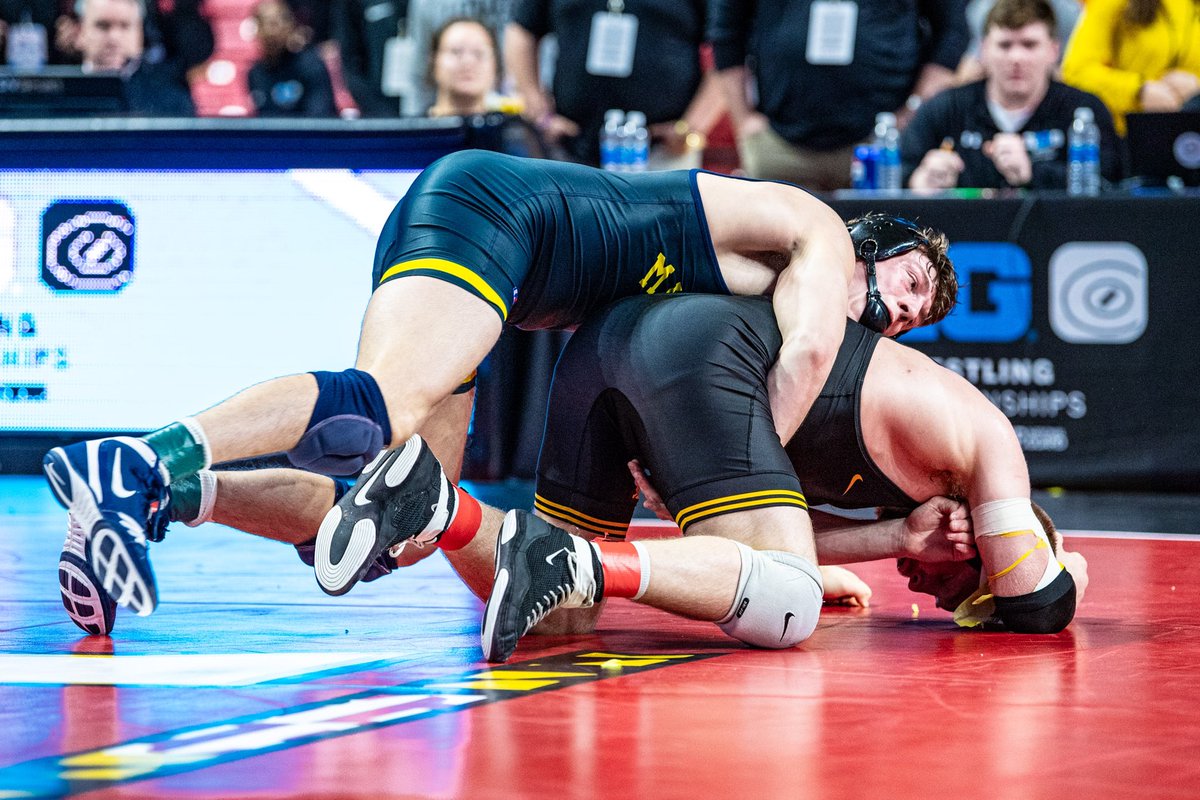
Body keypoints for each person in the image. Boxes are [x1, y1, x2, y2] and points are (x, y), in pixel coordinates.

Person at [42, 155, 956, 620]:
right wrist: (748, 533)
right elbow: (800, 366)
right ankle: (141, 454)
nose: (901, 315)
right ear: (876, 242)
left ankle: (167, 495)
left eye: (917, 321)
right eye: (910, 284)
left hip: (503, 259)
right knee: (377, 403)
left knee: (391, 519)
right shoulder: (823, 235)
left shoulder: (777, 286)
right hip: (496, 214)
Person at [708, 0, 970, 189]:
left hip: (881, 145)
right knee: (774, 257)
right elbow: (725, 32)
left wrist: (915, 111)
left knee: (880, 254)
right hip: (779, 143)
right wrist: (743, 120)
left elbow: (953, 31)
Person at [902, 0, 1122, 191]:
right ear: (984, 50)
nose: (1016, 57)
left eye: (1029, 45)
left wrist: (1033, 172)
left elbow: (1115, 182)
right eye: (1005, 45)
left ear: (1054, 51)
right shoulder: (947, 108)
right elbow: (895, 173)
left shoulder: (1083, 111)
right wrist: (918, 180)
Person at [504, 0, 721, 168]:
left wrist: (693, 126)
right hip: (568, 145)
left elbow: (726, 48)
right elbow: (521, 31)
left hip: (664, 151)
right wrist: (538, 111)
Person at [1061, 0, 1200, 135]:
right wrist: (1138, 90)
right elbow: (1076, 72)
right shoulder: (1111, 3)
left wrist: (1197, 89)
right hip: (1131, 133)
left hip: (1190, 133)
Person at [75, 0, 193, 115]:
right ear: (80, 32)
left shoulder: (172, 100)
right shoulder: (59, 93)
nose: (114, 38)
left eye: (125, 26)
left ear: (140, 33)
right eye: (102, 26)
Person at [247, 0, 337, 118]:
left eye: (276, 23)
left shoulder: (311, 65)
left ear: (290, 26)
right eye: (265, 24)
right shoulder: (255, 74)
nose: (272, 32)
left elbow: (321, 118)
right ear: (257, 29)